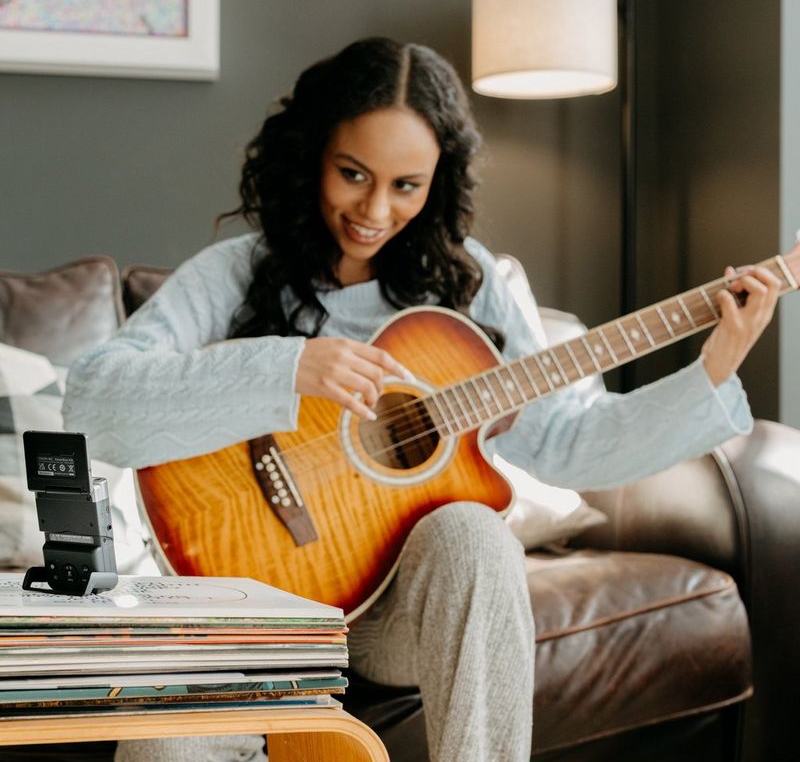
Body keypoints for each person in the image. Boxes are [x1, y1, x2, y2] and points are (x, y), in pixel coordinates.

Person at [62, 37, 780, 762]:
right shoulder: (236, 273)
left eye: (406, 186)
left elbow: (566, 442)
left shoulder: (470, 284)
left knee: (475, 531)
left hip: (398, 619)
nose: (375, 209)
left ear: (438, 182)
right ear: (312, 154)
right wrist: (288, 368)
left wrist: (714, 366)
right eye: (352, 174)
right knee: (167, 745)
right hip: (250, 602)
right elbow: (93, 400)